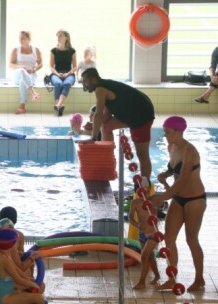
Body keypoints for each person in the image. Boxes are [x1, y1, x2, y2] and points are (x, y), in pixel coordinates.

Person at [151, 116, 206, 292]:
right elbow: (174, 169)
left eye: (168, 132)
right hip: (178, 198)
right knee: (169, 237)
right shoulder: (172, 147)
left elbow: (182, 180)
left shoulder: (190, 151)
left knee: (191, 239)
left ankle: (199, 279)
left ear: (178, 131)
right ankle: (172, 278)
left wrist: (162, 197)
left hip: (195, 199)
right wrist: (165, 175)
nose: (165, 135)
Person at [81, 67, 155, 180]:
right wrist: (94, 125)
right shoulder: (106, 86)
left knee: (142, 154)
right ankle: (107, 160)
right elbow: (105, 116)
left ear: (94, 79)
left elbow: (98, 114)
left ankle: (146, 184)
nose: (84, 85)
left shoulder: (100, 89)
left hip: (142, 115)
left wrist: (93, 137)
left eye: (85, 82)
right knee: (106, 126)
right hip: (133, 113)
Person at [0, 229, 45, 304]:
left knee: (41, 286)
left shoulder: (6, 254)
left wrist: (30, 281)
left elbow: (18, 270)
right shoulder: (2, 259)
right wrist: (33, 284)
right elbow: (18, 279)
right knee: (39, 299)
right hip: (3, 297)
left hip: (10, 288)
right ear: (12, 244)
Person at [128, 177, 160, 289]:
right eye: (141, 189)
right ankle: (157, 275)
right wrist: (136, 225)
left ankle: (142, 282)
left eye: (146, 189)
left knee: (144, 256)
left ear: (149, 189)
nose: (144, 191)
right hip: (141, 234)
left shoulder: (154, 200)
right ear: (137, 191)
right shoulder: (135, 202)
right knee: (150, 257)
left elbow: (158, 212)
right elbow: (130, 217)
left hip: (153, 234)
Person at [9, 31, 43, 114]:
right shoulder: (15, 50)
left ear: (29, 39)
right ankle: (33, 92)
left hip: (31, 75)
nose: (20, 40)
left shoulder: (36, 50)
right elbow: (10, 64)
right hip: (18, 74)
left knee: (22, 82)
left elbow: (40, 64)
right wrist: (21, 67)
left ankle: (22, 107)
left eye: (23, 38)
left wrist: (34, 69)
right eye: (20, 38)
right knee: (21, 71)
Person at [50, 29, 77, 117]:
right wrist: (57, 74)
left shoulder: (72, 51)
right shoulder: (53, 50)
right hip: (56, 73)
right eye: (58, 36)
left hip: (68, 73)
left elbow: (75, 67)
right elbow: (51, 66)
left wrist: (68, 73)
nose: (58, 37)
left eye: (61, 35)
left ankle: (58, 105)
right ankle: (60, 106)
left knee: (67, 83)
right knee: (58, 83)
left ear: (66, 38)